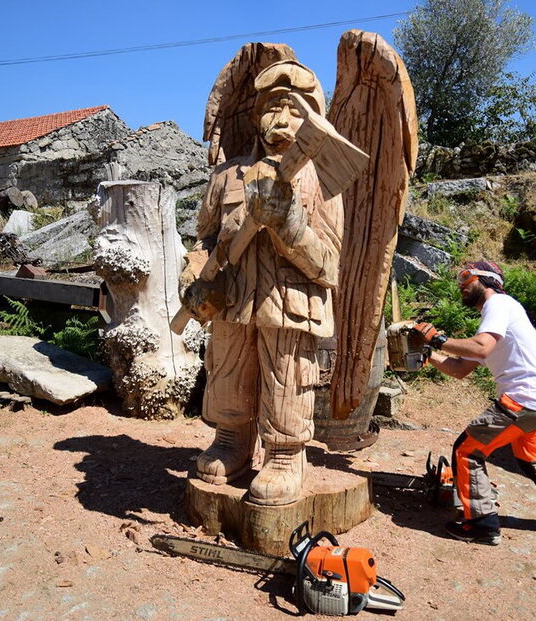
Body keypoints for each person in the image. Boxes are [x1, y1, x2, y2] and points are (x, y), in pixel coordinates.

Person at [183, 60, 343, 506]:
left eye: (294, 109)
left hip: (289, 303)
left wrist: (288, 223)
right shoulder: (225, 176)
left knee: (286, 375)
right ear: (256, 115)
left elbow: (331, 264)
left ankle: (286, 454)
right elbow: (205, 239)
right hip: (232, 298)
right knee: (229, 371)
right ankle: (232, 442)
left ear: (313, 118)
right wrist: (194, 270)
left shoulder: (324, 181)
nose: (281, 119)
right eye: (272, 107)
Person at [414, 260, 536, 545]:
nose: (461, 284)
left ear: (487, 280)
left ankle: (481, 523)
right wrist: (430, 355)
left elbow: (480, 347)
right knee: (532, 460)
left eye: (466, 277)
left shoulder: (499, 305)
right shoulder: (494, 320)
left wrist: (438, 338)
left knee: (467, 451)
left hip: (523, 399)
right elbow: (459, 369)